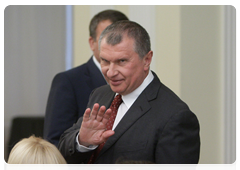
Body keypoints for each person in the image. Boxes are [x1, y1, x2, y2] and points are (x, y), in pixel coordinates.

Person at [58, 21, 200, 170]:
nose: (111, 72)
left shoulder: (175, 116)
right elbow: (65, 152)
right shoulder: (100, 94)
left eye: (122, 61)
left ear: (147, 60)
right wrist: (83, 142)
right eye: (105, 61)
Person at [43, 10, 128, 147]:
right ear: (92, 43)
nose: (114, 45)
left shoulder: (134, 81)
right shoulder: (68, 81)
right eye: (108, 38)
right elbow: (54, 143)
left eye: (120, 39)